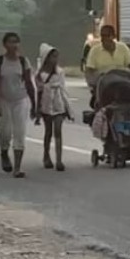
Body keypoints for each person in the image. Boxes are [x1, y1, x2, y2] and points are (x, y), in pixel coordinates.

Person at [0, 32, 36, 178]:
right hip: (4, 99)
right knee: (6, 132)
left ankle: (17, 167)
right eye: (10, 42)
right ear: (4, 45)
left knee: (19, 133)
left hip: (20, 100)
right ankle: (3, 152)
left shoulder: (23, 61)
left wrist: (34, 105)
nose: (13, 45)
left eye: (16, 42)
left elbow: (29, 83)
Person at [35, 43, 72, 172]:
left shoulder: (60, 72)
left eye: (56, 57)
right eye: (52, 57)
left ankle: (59, 160)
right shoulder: (40, 74)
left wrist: (67, 108)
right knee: (48, 132)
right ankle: (46, 156)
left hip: (58, 104)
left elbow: (63, 90)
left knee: (58, 131)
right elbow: (39, 92)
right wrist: (37, 110)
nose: (55, 60)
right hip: (46, 105)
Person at [85, 24, 130, 108]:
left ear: (113, 36)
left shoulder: (123, 48)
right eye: (102, 36)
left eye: (107, 36)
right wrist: (92, 85)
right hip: (104, 87)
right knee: (97, 105)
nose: (104, 39)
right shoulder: (95, 51)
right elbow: (89, 70)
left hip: (122, 85)